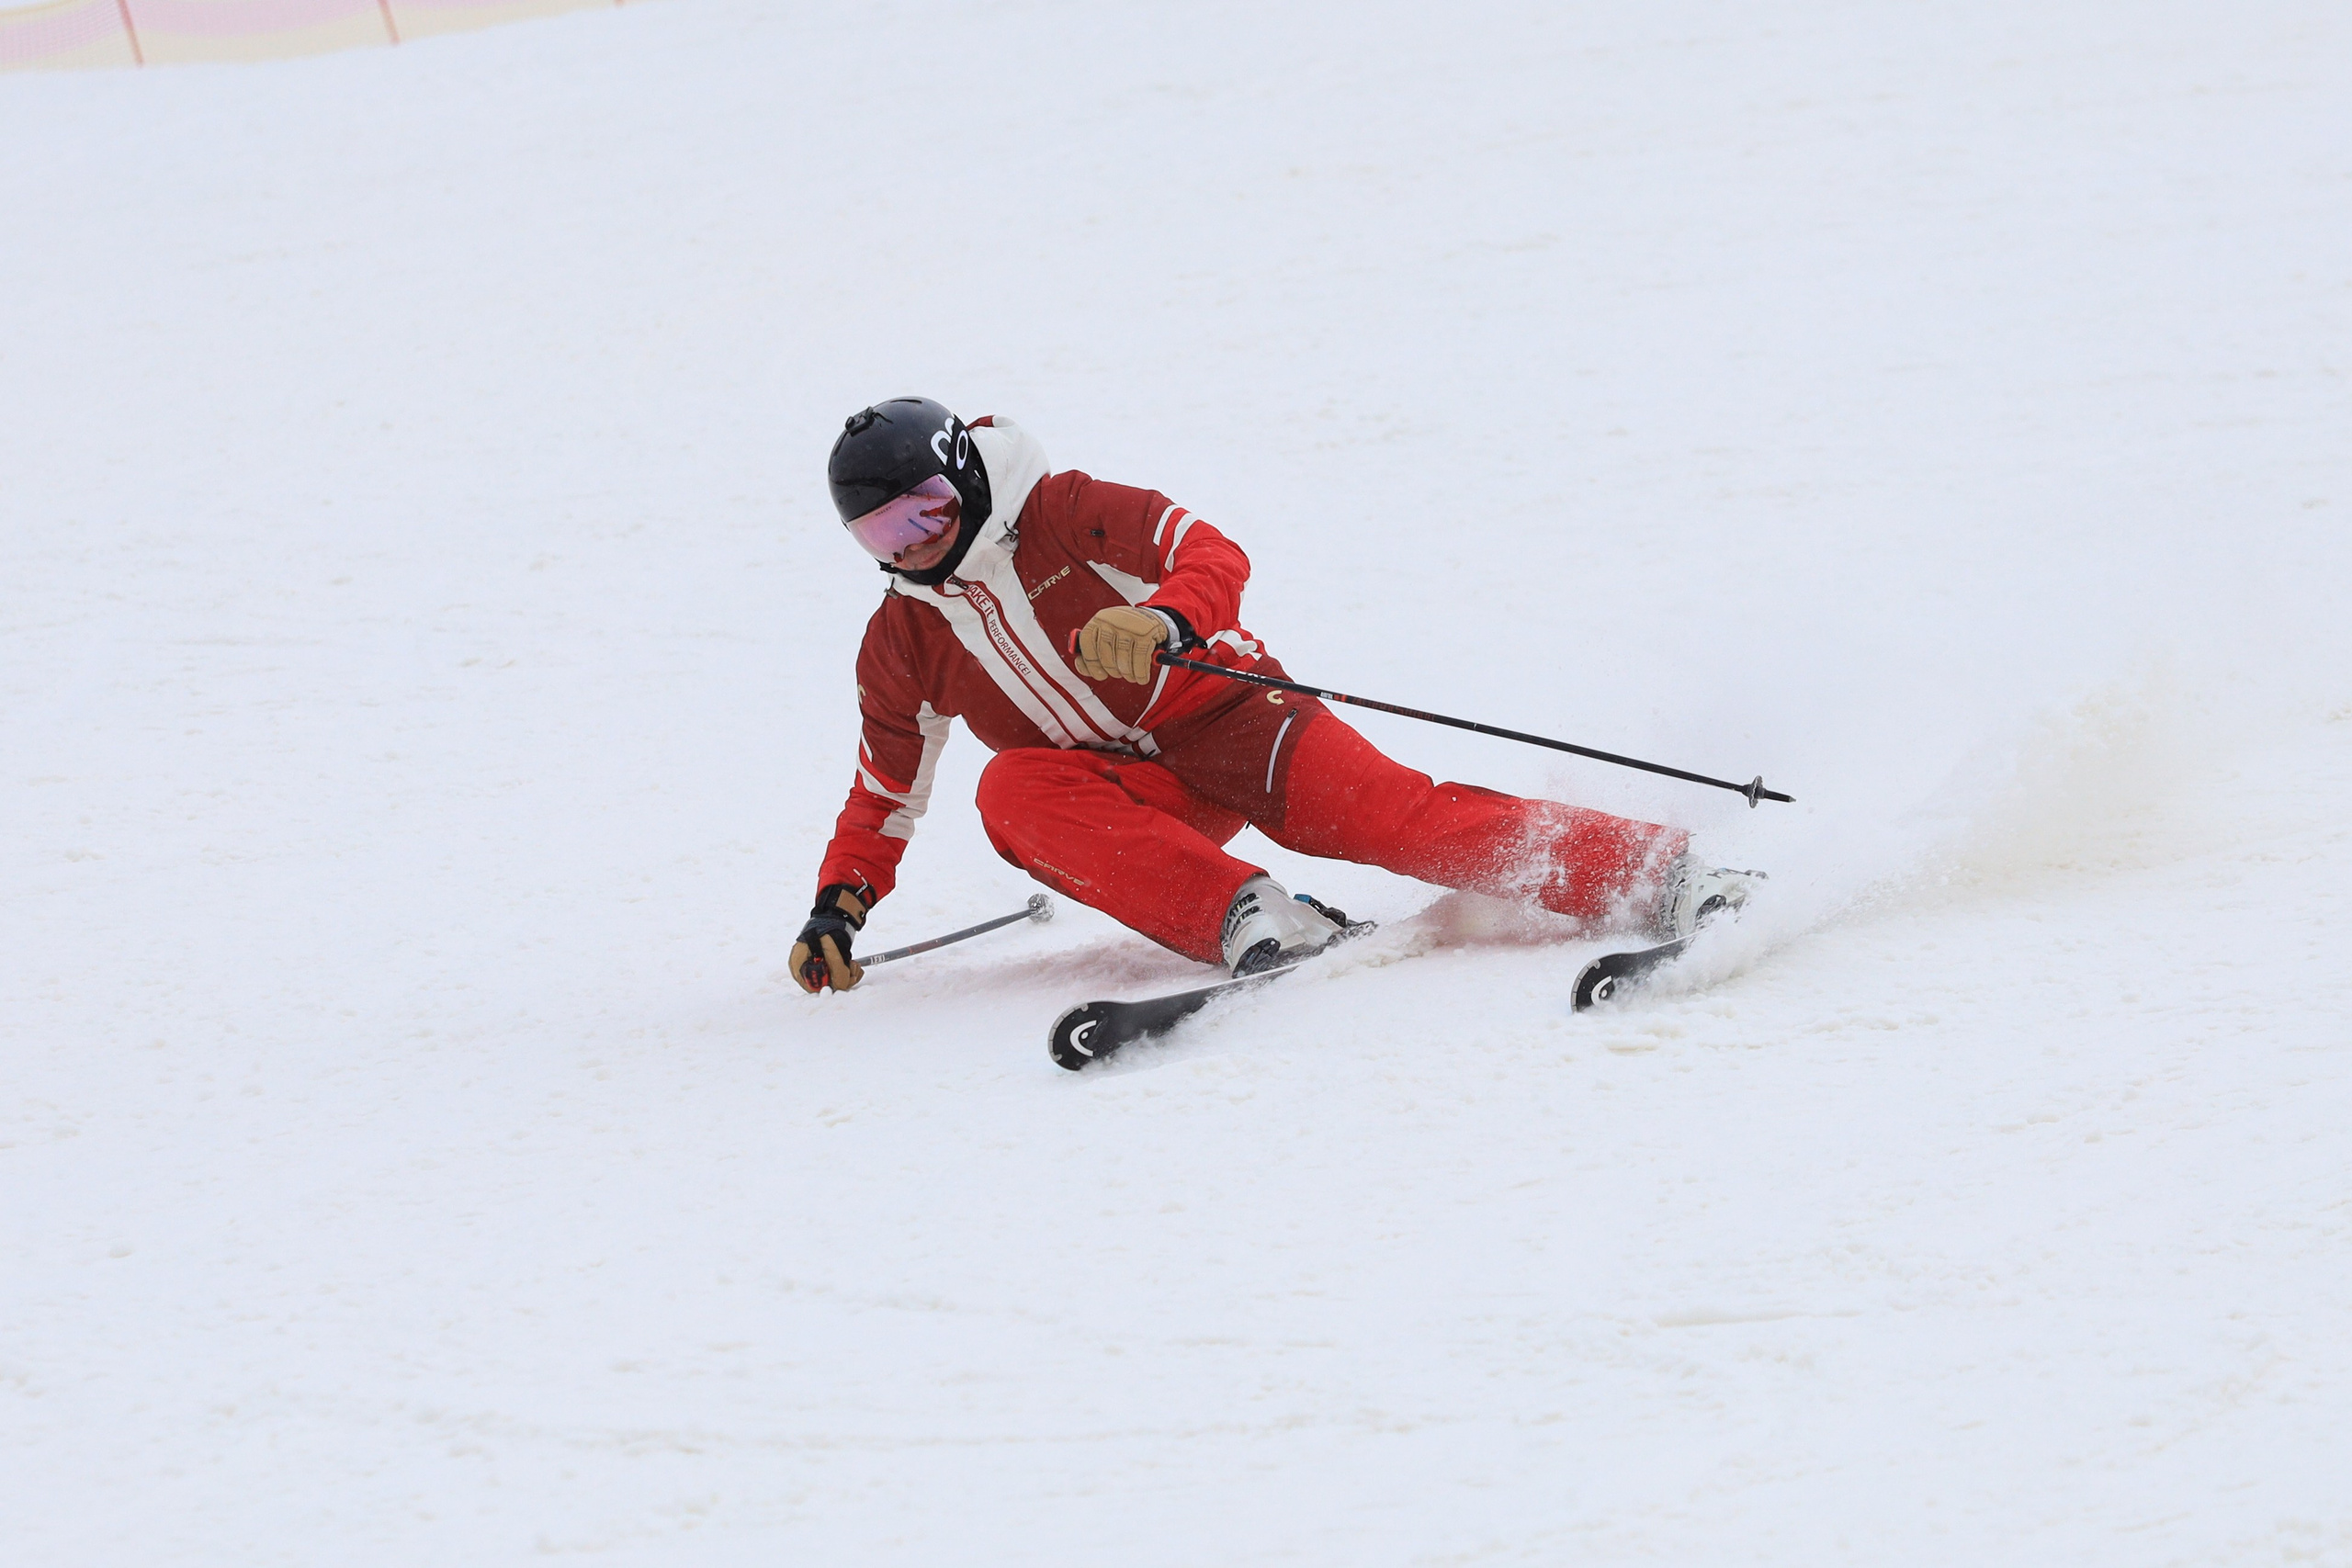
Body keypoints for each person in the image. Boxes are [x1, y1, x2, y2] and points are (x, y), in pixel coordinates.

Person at [790, 398, 1755, 994]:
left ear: (963, 474)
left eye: (928, 511)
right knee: (1011, 789)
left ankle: (1662, 876)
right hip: (1137, 800)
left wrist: (1170, 622)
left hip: (1233, 720)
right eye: (882, 535)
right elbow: (885, 792)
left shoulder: (1063, 508)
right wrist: (840, 904)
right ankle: (1254, 918)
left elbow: (1207, 550)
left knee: (1402, 824)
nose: (913, 543)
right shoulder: (903, 640)